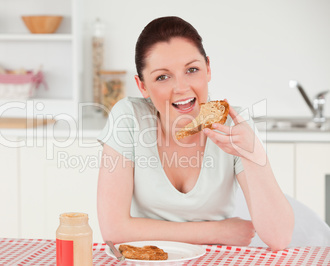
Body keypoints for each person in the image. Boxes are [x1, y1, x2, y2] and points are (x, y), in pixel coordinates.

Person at [97, 16, 294, 251]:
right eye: (162, 76)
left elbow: (279, 238)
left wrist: (254, 156)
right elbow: (113, 230)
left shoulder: (234, 124)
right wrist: (217, 231)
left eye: (192, 70)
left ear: (208, 68)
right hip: (149, 257)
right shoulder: (128, 118)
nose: (181, 88)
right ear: (142, 86)